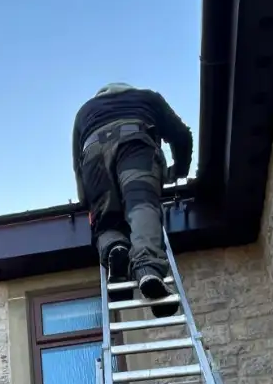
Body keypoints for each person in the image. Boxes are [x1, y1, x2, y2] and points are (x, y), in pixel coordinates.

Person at [71, 82, 193, 306]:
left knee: (106, 220)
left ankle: (115, 250)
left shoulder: (85, 111)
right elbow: (181, 135)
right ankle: (148, 268)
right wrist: (179, 171)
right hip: (134, 144)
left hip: (93, 156)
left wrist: (86, 200)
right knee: (141, 205)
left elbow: (77, 166)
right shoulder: (148, 98)